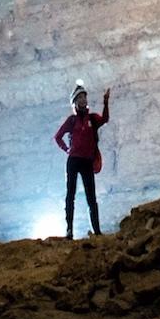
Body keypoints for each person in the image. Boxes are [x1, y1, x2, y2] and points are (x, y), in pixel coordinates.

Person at [54, 82, 111, 235]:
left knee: (91, 196)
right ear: (75, 102)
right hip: (74, 161)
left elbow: (105, 119)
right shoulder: (72, 121)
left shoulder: (92, 118)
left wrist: (105, 102)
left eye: (84, 97)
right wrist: (67, 149)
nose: (83, 100)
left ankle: (97, 231)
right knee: (70, 195)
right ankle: (69, 230)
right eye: (79, 98)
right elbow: (58, 137)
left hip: (87, 161)